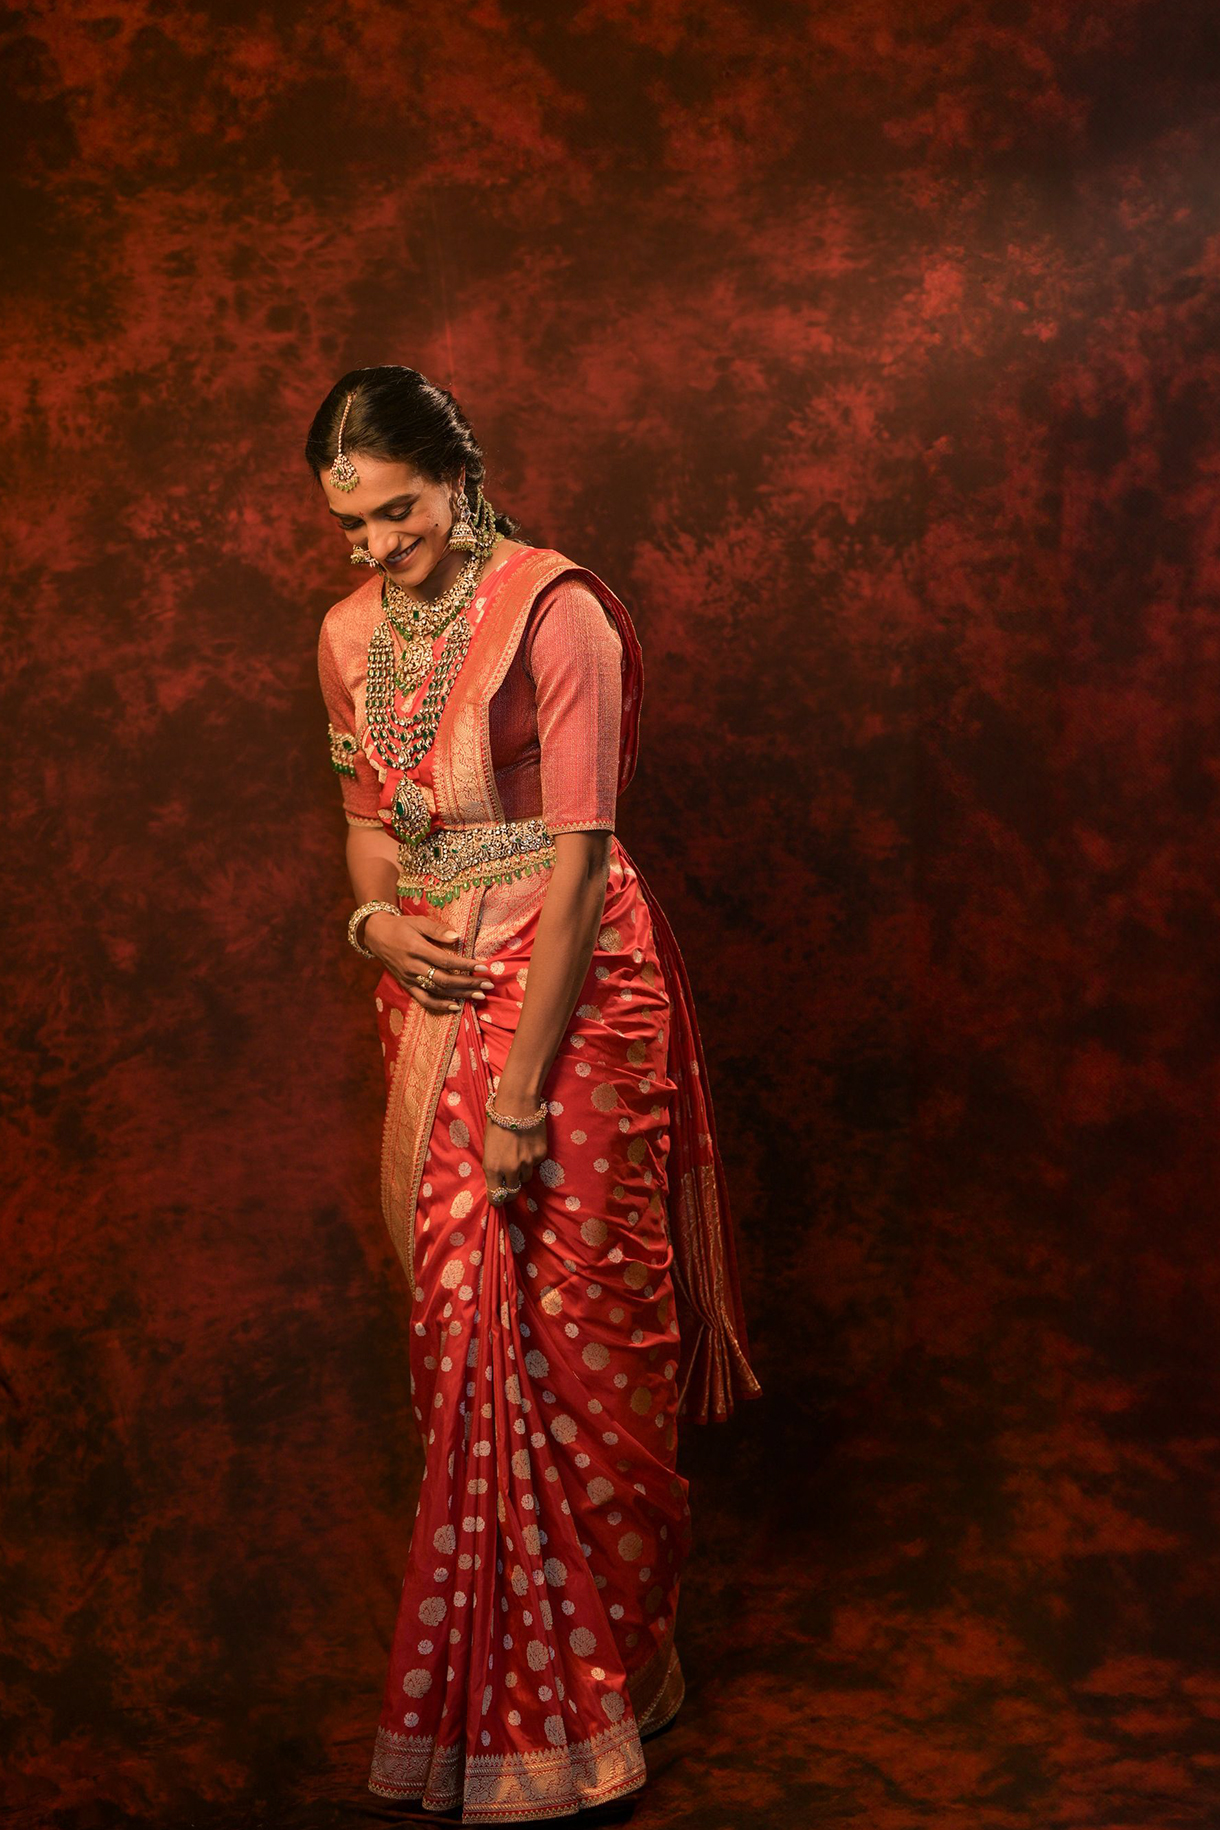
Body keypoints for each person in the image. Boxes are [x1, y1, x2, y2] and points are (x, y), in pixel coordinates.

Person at [308, 365, 760, 1824]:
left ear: (460, 474)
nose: (379, 548)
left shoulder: (557, 610)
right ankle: (501, 1695)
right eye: (352, 525)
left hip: (574, 998)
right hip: (430, 995)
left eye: (399, 512)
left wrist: (519, 1092)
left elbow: (575, 866)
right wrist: (372, 925)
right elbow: (372, 836)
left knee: (591, 1331)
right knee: (463, 1336)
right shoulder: (347, 637)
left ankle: (618, 1674)